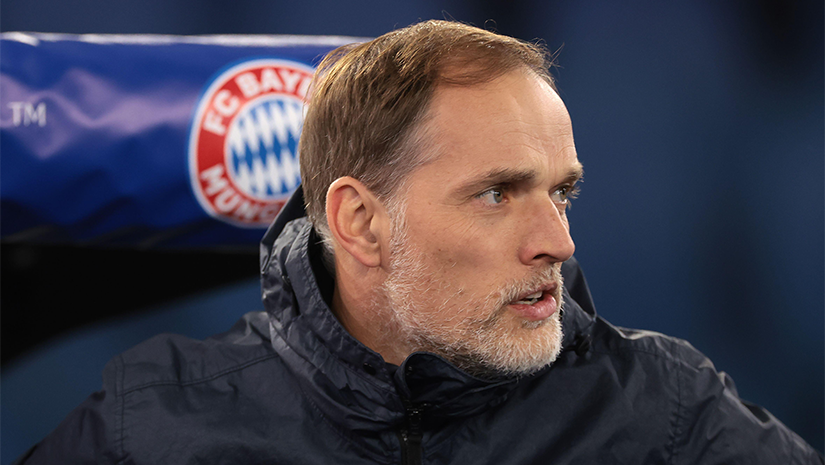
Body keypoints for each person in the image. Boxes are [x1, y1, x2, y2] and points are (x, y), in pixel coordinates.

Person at [15, 20, 821, 464]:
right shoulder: (150, 423)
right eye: (497, 192)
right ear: (360, 222)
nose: (557, 241)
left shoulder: (664, 408)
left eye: (561, 191)